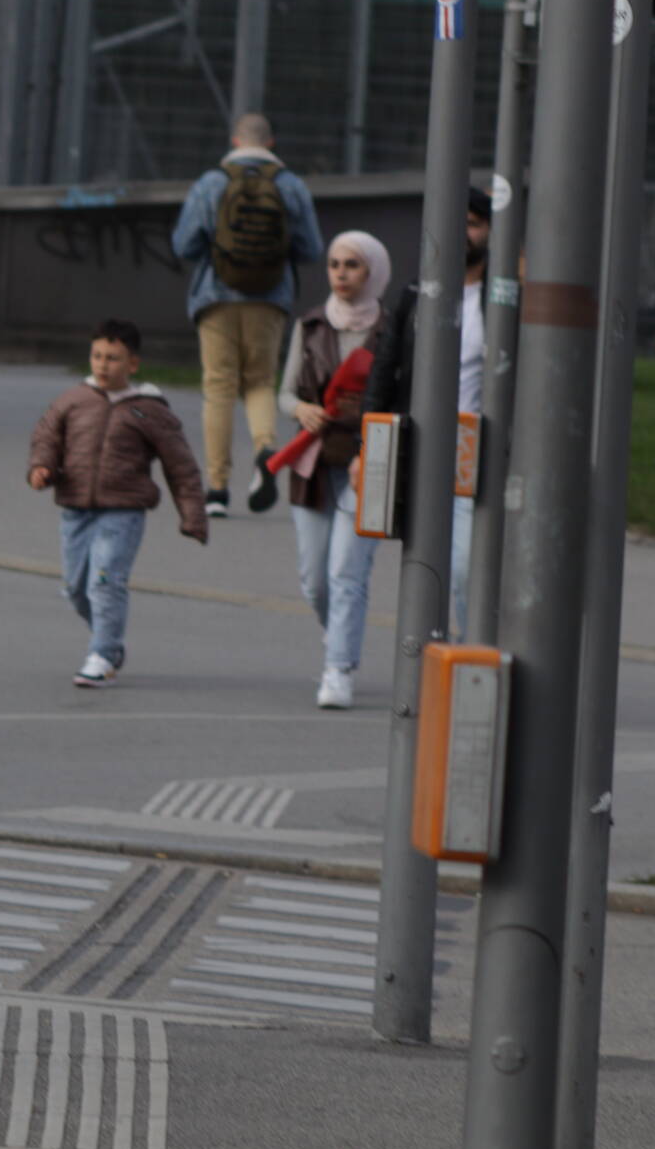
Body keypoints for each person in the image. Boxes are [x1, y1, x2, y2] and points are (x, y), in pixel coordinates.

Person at [25, 318, 208, 689]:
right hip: (76, 508)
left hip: (123, 510)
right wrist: (41, 467)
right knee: (76, 588)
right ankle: (108, 640)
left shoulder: (146, 410)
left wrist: (193, 514)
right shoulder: (73, 400)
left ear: (133, 364)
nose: (103, 365)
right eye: (97, 356)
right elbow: (46, 435)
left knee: (106, 580)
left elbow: (181, 465)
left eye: (113, 358)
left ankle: (103, 654)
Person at [170, 113, 326, 518]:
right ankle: (265, 450)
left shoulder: (212, 183)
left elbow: (184, 244)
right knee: (258, 380)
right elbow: (311, 249)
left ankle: (217, 489)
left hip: (215, 297)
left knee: (219, 388)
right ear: (270, 142)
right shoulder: (290, 185)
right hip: (269, 298)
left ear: (235, 139)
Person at [363, 184, 490, 640]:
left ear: (490, 231)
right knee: (421, 562)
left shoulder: (501, 299)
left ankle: (469, 652)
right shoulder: (417, 292)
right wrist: (368, 441)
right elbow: (385, 365)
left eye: (473, 224)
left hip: (472, 450)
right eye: (456, 223)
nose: (463, 234)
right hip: (418, 446)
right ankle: (430, 652)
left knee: (460, 567)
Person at [276, 232, 391, 710]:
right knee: (314, 580)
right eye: (334, 264)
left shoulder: (391, 328)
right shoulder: (311, 325)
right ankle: (336, 635)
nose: (341, 273)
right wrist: (299, 411)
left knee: (348, 572)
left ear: (373, 273)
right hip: (314, 464)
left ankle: (338, 668)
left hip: (369, 464)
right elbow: (283, 394)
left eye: (353, 265)